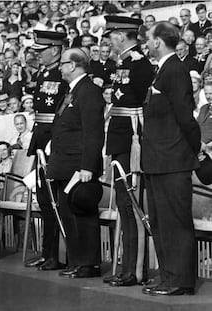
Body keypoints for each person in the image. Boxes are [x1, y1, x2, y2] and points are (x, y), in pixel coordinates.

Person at [143, 21, 201, 296]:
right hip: (158, 159)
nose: (146, 40)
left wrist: (194, 149)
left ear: (158, 41)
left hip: (173, 159)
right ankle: (167, 274)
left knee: (175, 222)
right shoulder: (163, 69)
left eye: (149, 37)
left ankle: (181, 279)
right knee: (161, 221)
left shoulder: (175, 70)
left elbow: (185, 117)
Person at [104, 16, 154, 287]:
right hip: (120, 138)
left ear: (121, 36)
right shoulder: (123, 62)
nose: (109, 40)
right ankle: (126, 267)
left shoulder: (139, 64)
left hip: (131, 139)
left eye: (112, 35)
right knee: (123, 205)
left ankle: (135, 270)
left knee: (131, 206)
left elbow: (140, 104)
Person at [48, 47, 105, 279]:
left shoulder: (89, 91)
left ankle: (88, 263)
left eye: (62, 63)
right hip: (64, 165)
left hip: (78, 167)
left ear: (72, 65)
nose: (59, 68)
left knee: (82, 213)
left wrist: (87, 167)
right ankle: (76, 260)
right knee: (68, 214)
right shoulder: (72, 91)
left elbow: (93, 133)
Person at [25, 30, 69, 271]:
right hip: (42, 136)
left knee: (55, 200)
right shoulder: (43, 73)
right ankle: (47, 252)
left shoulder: (62, 74)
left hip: (54, 139)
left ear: (55, 49)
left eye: (42, 51)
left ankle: (58, 254)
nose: (38, 55)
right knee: (44, 199)